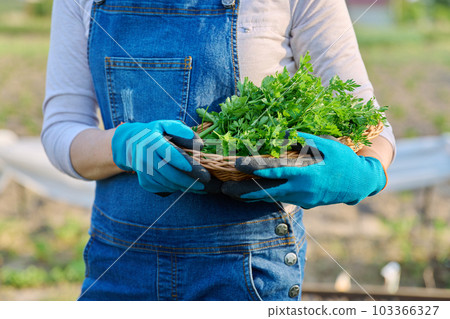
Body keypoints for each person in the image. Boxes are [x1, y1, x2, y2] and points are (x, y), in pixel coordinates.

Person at [42, 0, 395, 301]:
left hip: (249, 269)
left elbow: (371, 123)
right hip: (119, 264)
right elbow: (61, 129)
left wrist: (368, 172)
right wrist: (122, 146)